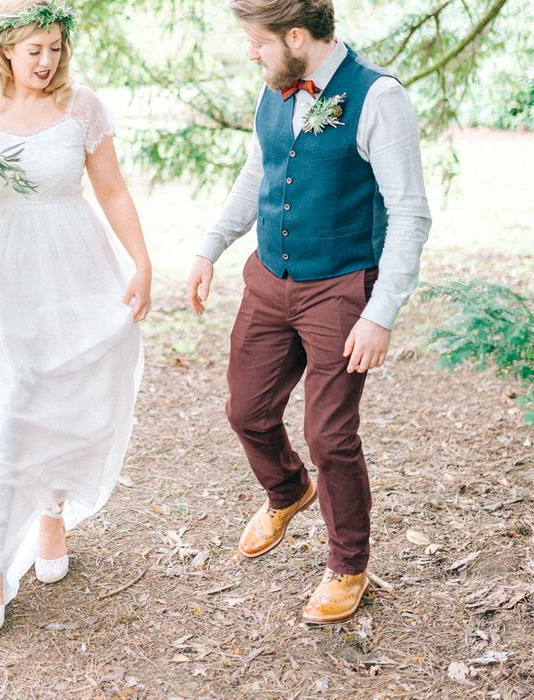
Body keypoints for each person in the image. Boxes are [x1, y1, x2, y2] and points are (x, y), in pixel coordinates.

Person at [187, 0, 431, 624]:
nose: (252, 53)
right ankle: (287, 489)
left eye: (259, 42)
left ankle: (348, 566)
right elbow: (257, 173)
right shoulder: (273, 88)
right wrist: (209, 248)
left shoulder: (380, 99)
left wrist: (380, 313)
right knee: (246, 411)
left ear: (296, 36)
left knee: (331, 435)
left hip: (341, 290)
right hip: (269, 279)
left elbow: (409, 215)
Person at [0, 0, 151, 632]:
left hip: (74, 268)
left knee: (64, 392)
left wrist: (141, 262)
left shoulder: (83, 108)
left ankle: (52, 516)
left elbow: (112, 188)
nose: (48, 61)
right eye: (35, 49)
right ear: (6, 49)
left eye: (56, 48)